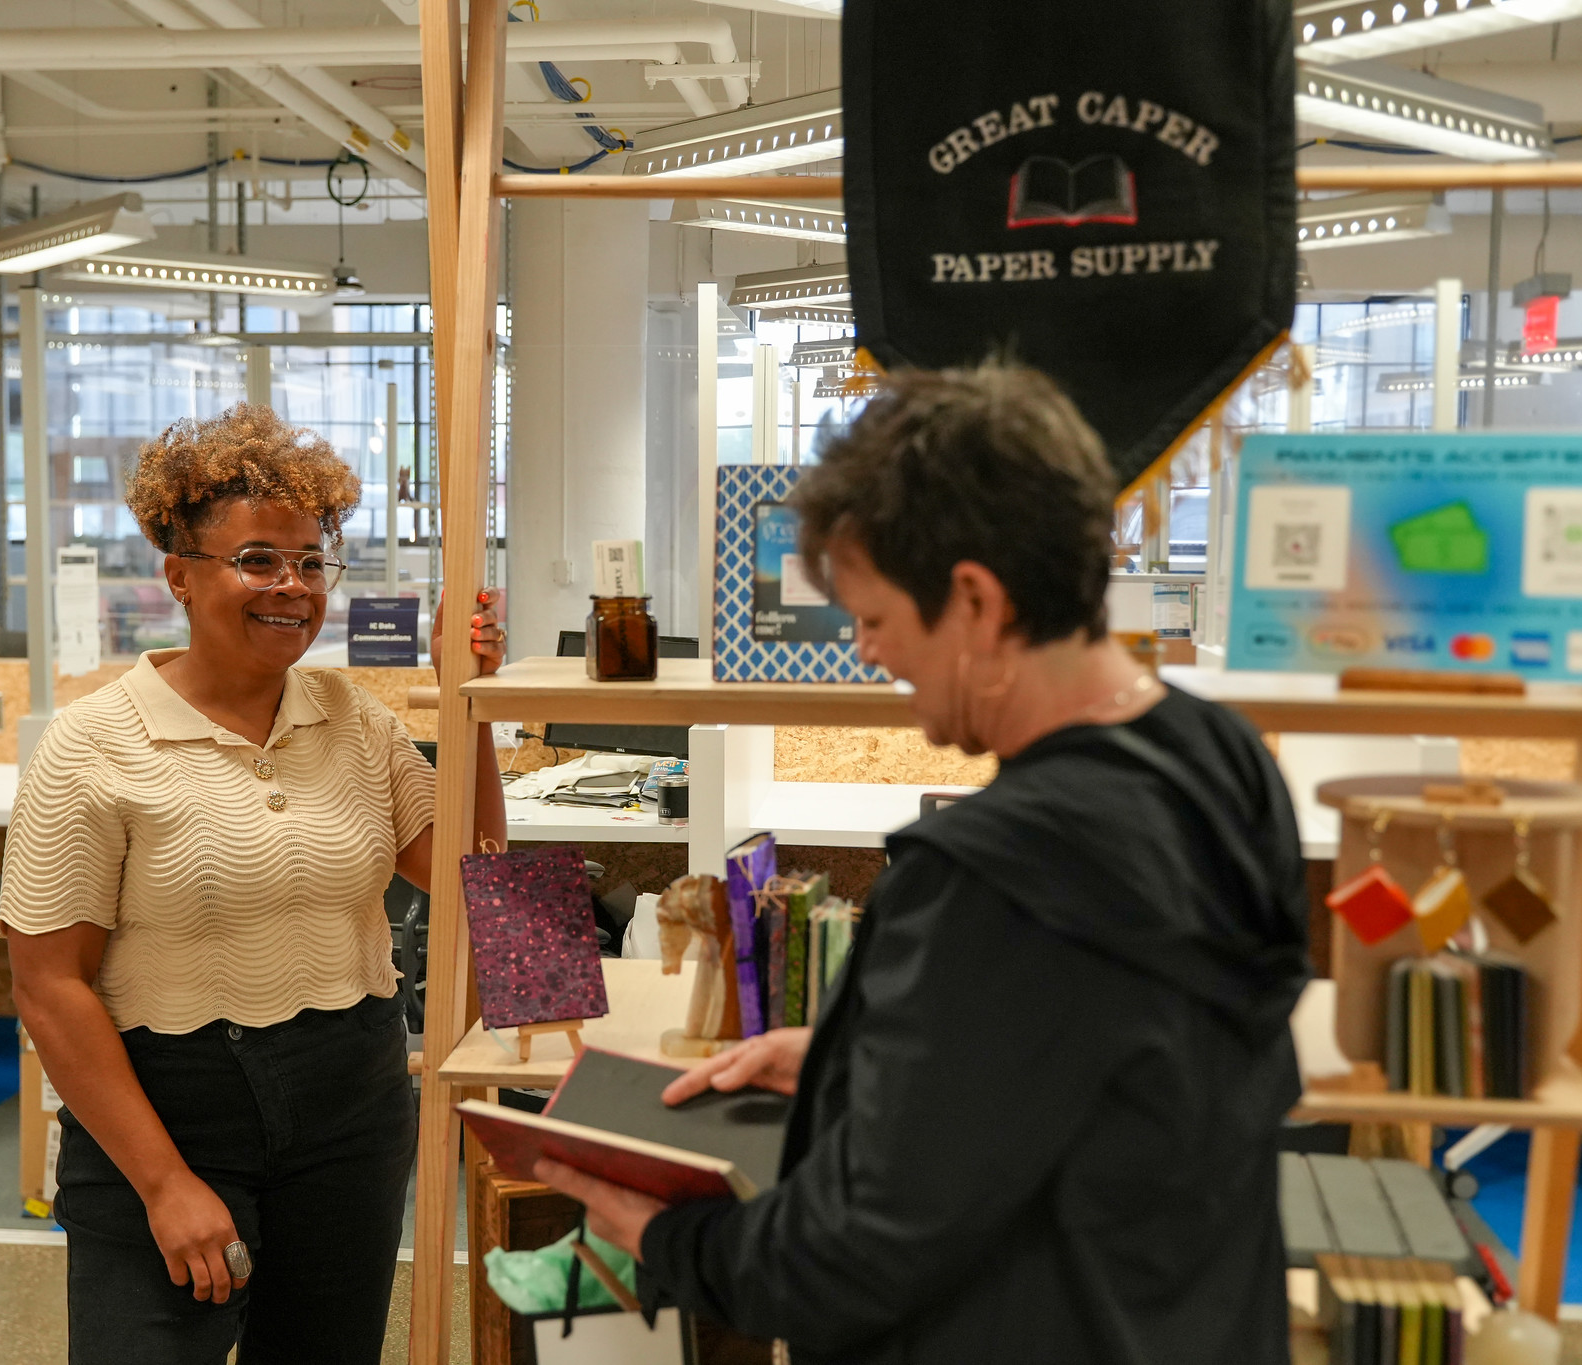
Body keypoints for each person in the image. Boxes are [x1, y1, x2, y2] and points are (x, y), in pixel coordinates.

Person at [537, 366, 1311, 1365]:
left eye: (872, 619)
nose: (867, 654)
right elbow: (1111, 1064)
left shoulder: (990, 877)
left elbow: (852, 1255)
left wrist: (668, 1237)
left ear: (975, 600)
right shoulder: (1222, 758)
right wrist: (854, 1063)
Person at [0, 403, 506, 1364]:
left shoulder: (352, 718)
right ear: (180, 575)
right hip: (168, 1108)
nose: (293, 586)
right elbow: (48, 984)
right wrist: (163, 1185)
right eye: (259, 560)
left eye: (312, 562)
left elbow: (471, 870)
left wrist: (467, 700)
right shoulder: (95, 744)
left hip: (350, 1103)